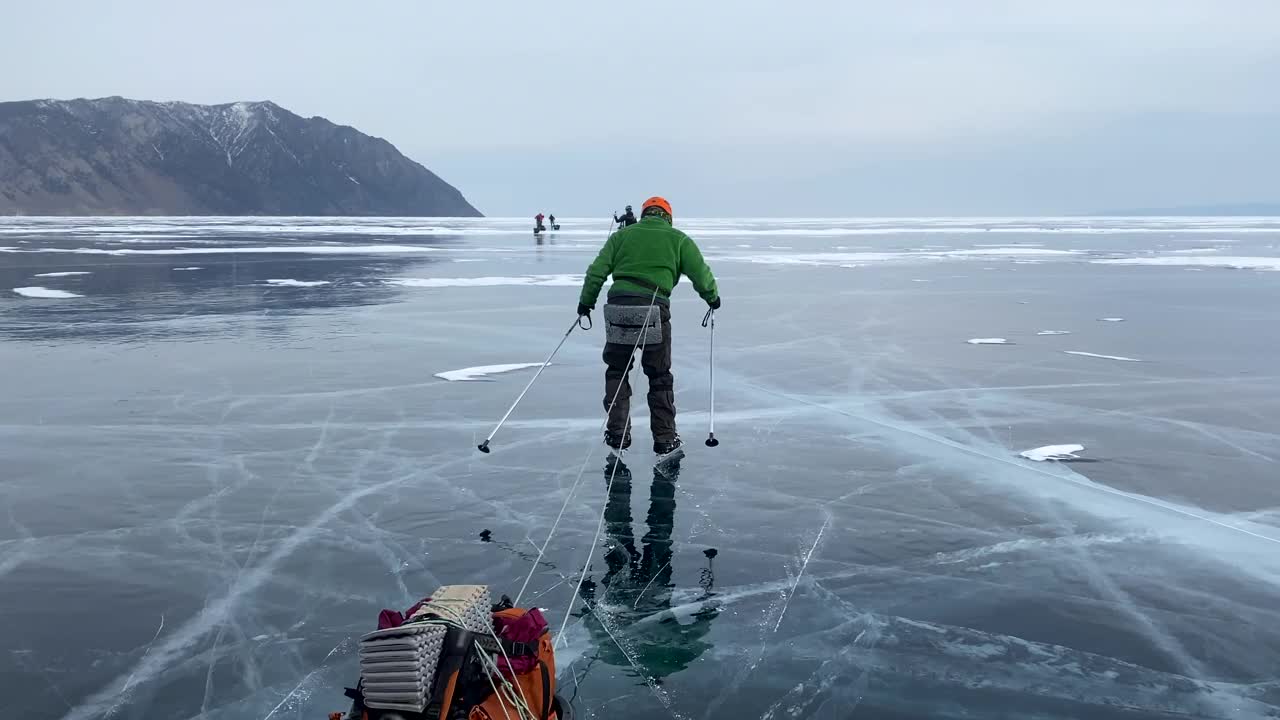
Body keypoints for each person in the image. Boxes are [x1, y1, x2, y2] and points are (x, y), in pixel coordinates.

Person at [577, 196, 720, 456]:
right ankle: (665, 438)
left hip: (618, 308)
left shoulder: (621, 237)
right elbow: (701, 273)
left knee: (617, 371)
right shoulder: (678, 239)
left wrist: (585, 304)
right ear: (668, 216)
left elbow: (596, 272)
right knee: (659, 375)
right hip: (655, 307)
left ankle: (618, 433)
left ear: (644, 214)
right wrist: (712, 298)